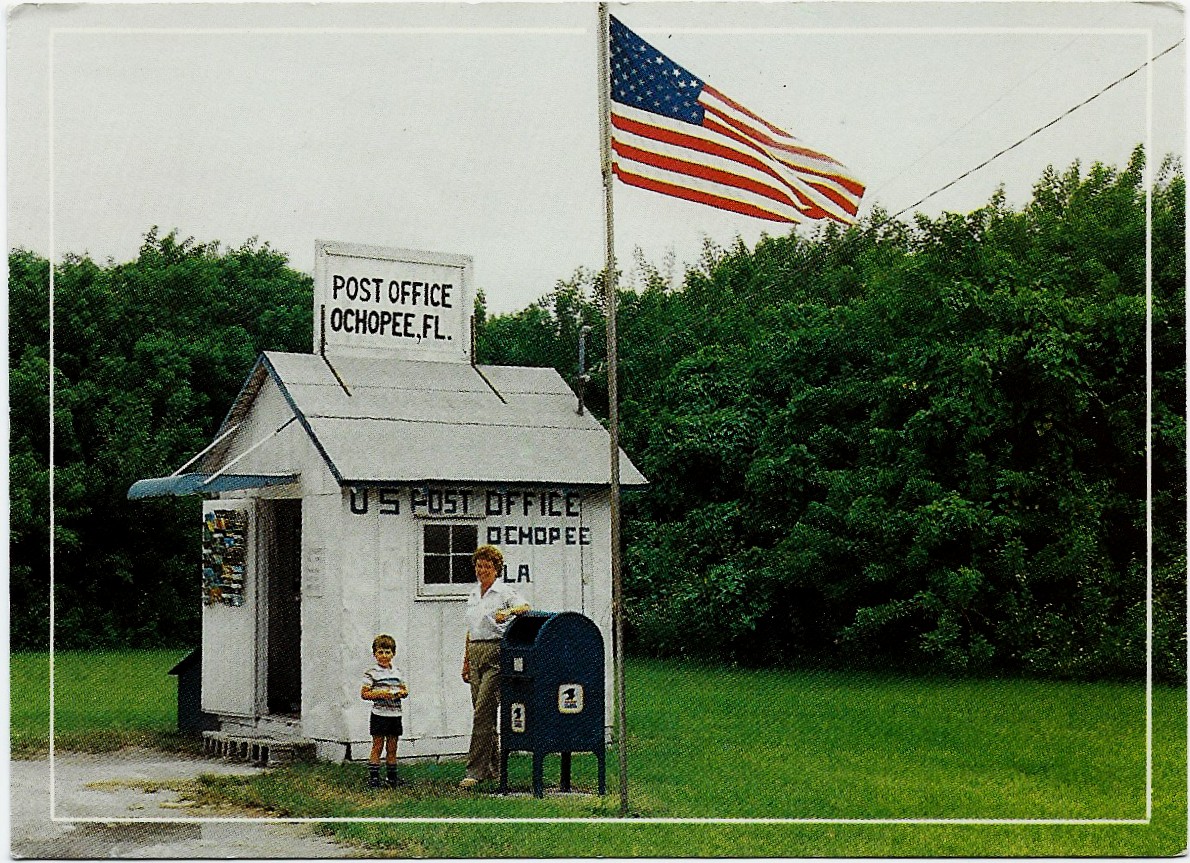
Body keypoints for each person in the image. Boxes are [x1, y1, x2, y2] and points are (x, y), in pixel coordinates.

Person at [458, 544, 529, 789]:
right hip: (475, 650)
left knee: (483, 712)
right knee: (484, 716)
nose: (482, 570)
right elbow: (471, 630)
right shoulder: (473, 594)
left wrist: (507, 612)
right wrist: (466, 661)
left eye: (487, 566)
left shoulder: (503, 592)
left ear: (496, 569)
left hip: (496, 651)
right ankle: (493, 769)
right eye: (479, 566)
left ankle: (474, 771)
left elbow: (525, 608)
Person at [360, 633, 409, 789]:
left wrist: (403, 693)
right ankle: (374, 779)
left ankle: (392, 778)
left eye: (387, 652)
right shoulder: (371, 673)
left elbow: (404, 689)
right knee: (378, 745)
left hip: (395, 714)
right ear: (375, 653)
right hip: (380, 714)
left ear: (393, 654)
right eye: (380, 652)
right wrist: (381, 694)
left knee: (392, 747)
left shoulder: (397, 672)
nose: (384, 655)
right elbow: (364, 693)